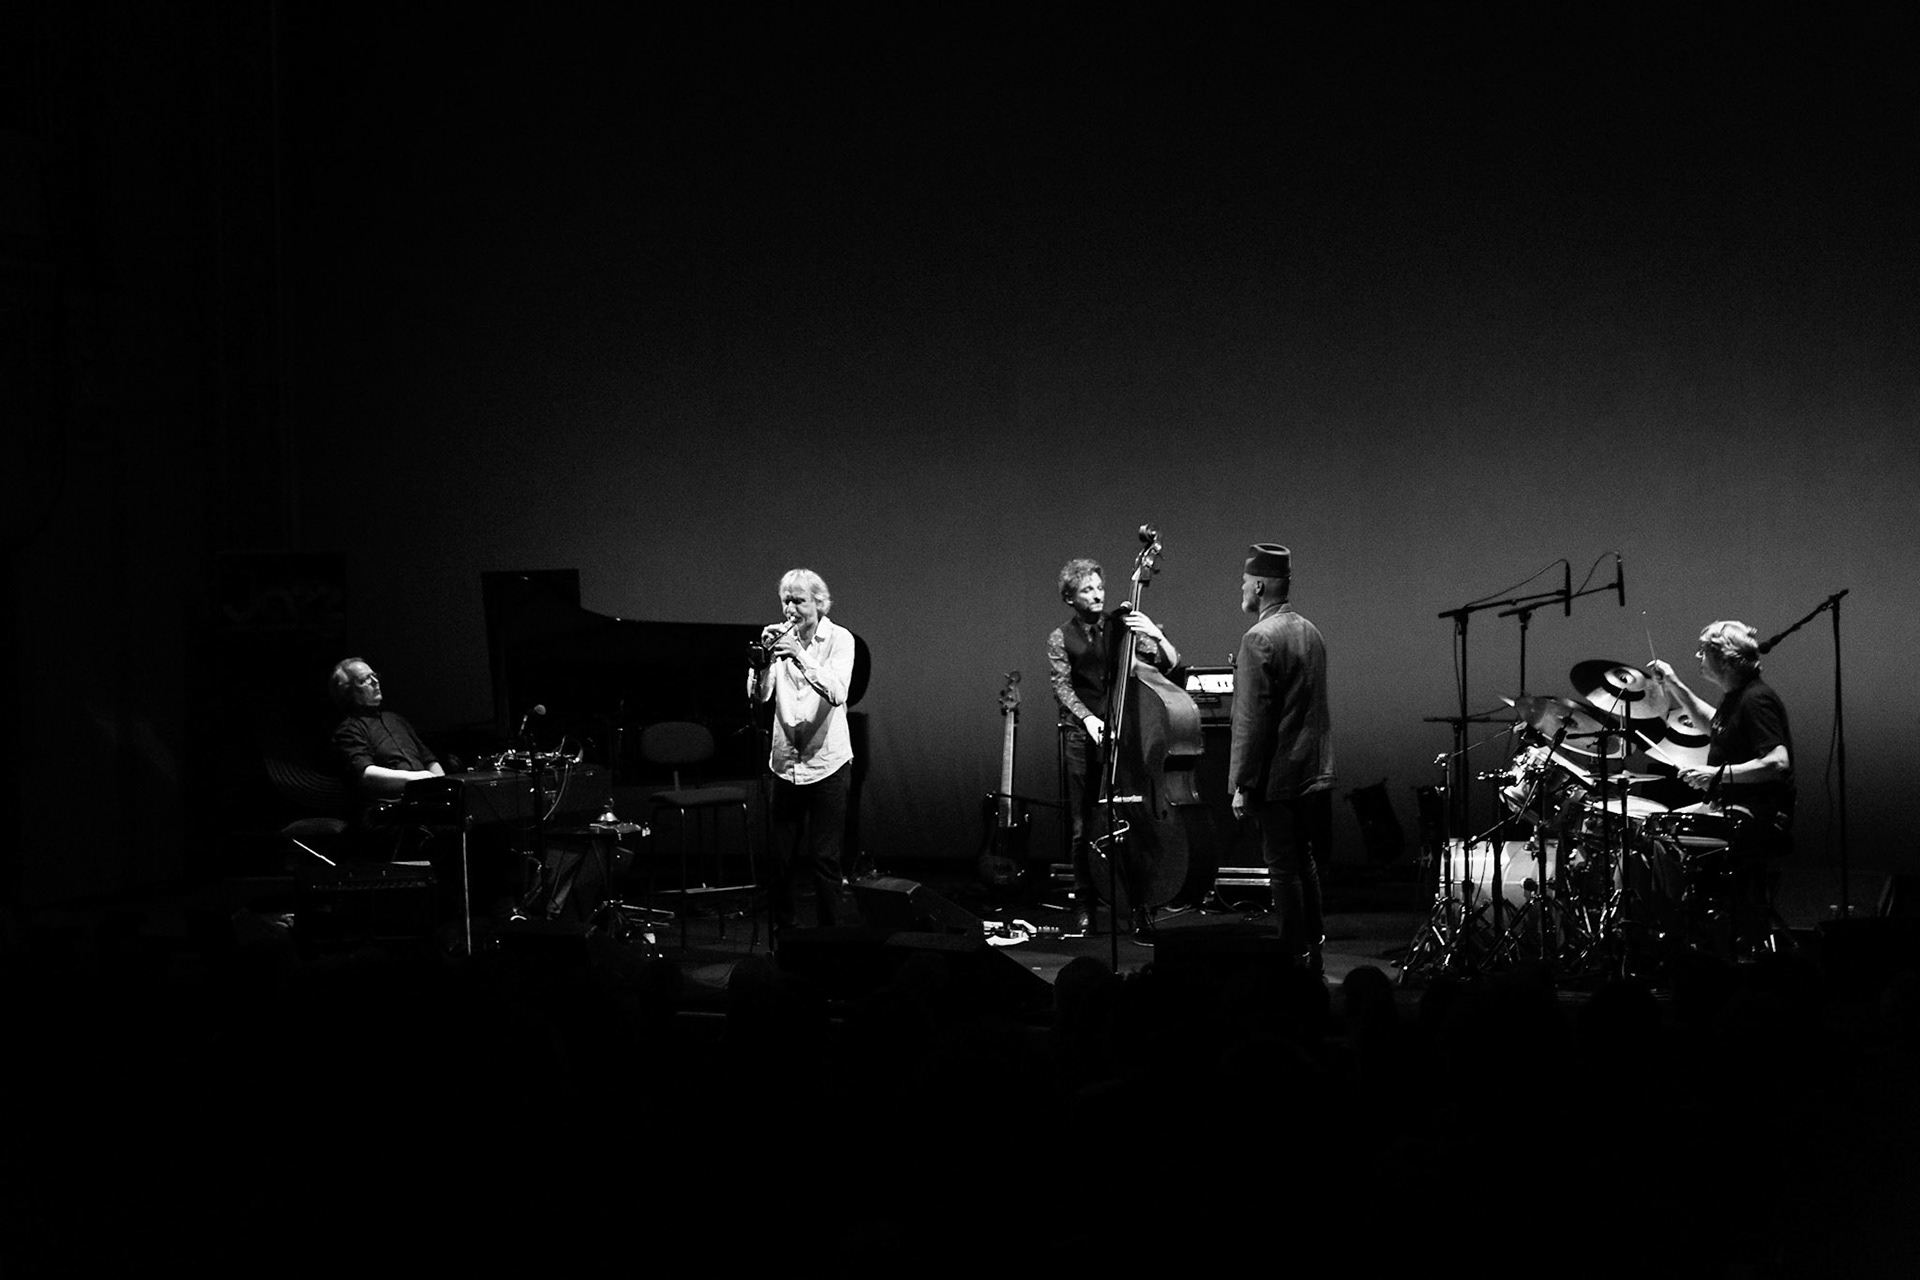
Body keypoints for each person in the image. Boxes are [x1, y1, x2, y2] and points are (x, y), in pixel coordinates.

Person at [1046, 557, 1182, 936]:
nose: (1096, 595)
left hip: (1126, 734)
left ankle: (1138, 903)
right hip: (1081, 737)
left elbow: (1170, 663)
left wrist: (1154, 633)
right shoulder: (1060, 637)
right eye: (1087, 590)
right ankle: (1086, 904)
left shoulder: (1120, 627)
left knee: (1132, 820)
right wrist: (1088, 720)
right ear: (1069, 597)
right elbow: (1062, 687)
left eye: (1099, 588)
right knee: (1082, 826)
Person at [1648, 620, 1794, 953]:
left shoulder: (1756, 701)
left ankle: (1679, 934)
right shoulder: (1737, 698)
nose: (1698, 656)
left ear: (1726, 661)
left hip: (1756, 815)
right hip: (1730, 809)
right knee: (1659, 829)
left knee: (1662, 838)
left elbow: (1777, 762)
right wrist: (1673, 684)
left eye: (1705, 652)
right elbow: (1716, 725)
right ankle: (1691, 926)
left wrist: (1718, 776)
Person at [1228, 543, 1336, 972]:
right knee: (1303, 861)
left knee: (1282, 869)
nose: (1240, 588)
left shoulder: (1258, 638)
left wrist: (1242, 784)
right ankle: (1314, 949)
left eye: (1243, 581)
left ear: (1259, 584)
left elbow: (1252, 723)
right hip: (1313, 772)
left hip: (1279, 775)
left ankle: (1293, 955)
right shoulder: (1312, 632)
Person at [750, 568, 858, 930]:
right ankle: (785, 937)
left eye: (799, 600)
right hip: (785, 764)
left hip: (827, 763)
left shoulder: (840, 640)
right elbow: (759, 697)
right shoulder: (778, 639)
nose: (791, 609)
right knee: (779, 861)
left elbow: (838, 692)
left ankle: (832, 944)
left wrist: (798, 654)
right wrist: (761, 664)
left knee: (825, 859)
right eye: (786, 600)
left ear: (819, 603)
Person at [329, 658, 444, 800]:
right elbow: (365, 772)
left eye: (374, 676)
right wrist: (417, 778)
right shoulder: (349, 729)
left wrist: (443, 786)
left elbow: (429, 759)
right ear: (348, 691)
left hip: (425, 798)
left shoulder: (395, 719)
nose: (375, 682)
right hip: (392, 806)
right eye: (365, 679)